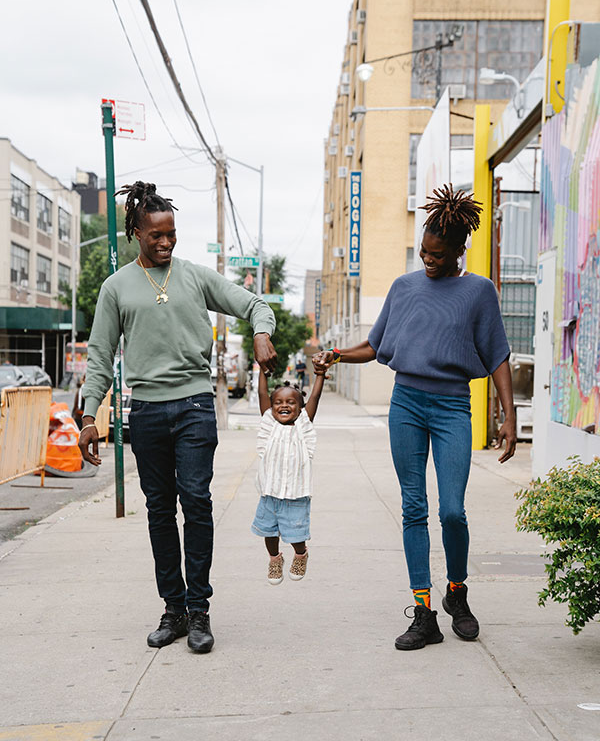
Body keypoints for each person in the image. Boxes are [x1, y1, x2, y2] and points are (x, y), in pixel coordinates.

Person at [313, 184, 516, 651]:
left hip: (451, 408)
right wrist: (337, 355)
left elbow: (498, 356)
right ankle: (423, 612)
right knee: (413, 507)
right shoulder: (404, 288)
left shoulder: (478, 292)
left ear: (460, 250)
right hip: (406, 402)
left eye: (437, 254)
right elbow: (376, 345)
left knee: (452, 510)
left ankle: (457, 594)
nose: (428, 260)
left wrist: (508, 415)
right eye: (424, 252)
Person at [78, 181, 277, 654]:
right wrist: (89, 415)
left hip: (192, 406)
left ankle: (200, 609)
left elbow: (254, 304)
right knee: (159, 511)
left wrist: (261, 334)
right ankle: (174, 609)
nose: (166, 242)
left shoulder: (194, 277)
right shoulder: (116, 287)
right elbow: (101, 355)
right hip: (145, 411)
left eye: (171, 234)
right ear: (137, 234)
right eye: (156, 236)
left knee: (197, 502)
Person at [252, 368, 324, 584]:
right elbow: (262, 395)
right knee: (269, 532)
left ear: (300, 408)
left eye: (291, 402)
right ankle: (275, 559)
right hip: (269, 493)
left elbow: (314, 397)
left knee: (296, 535)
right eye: (278, 402)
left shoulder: (303, 426)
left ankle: (301, 554)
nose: (284, 405)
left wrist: (320, 374)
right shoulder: (269, 424)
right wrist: (262, 371)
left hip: (296, 495)